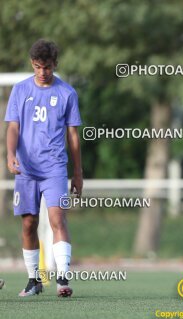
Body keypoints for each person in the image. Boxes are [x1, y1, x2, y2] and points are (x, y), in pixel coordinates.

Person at [4, 39, 83, 297]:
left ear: (55, 65)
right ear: (32, 64)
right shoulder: (19, 90)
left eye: (47, 67)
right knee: (28, 224)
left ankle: (62, 279)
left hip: (55, 168)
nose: (42, 72)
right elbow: (13, 126)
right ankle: (33, 280)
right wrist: (10, 154)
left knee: (57, 219)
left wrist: (78, 172)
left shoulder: (67, 93)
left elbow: (73, 136)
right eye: (37, 67)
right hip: (26, 170)